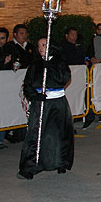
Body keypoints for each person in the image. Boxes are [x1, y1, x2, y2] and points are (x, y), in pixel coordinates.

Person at [17, 38, 74, 180]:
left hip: (57, 104)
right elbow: (28, 83)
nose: (40, 48)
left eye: (44, 45)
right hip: (40, 103)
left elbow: (64, 79)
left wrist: (51, 67)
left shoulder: (59, 63)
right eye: (38, 45)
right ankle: (30, 167)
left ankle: (60, 162)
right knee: (35, 133)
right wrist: (34, 96)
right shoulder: (35, 64)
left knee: (59, 133)